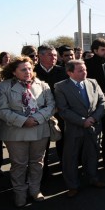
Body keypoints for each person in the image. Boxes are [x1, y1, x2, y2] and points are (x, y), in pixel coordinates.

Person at [0, 57, 55, 207]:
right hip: (15, 132)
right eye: (23, 69)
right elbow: (1, 110)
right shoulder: (4, 86)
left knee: (37, 162)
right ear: (14, 72)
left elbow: (51, 106)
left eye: (29, 68)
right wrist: (22, 121)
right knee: (19, 164)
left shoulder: (43, 85)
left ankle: (35, 190)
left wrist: (36, 118)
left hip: (39, 129)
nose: (28, 72)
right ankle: (20, 193)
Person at [54, 60, 105, 197]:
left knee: (92, 154)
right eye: (80, 71)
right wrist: (82, 121)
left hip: (93, 126)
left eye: (85, 69)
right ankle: (73, 186)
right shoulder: (61, 87)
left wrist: (94, 118)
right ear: (70, 72)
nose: (84, 73)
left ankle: (93, 178)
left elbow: (102, 102)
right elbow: (63, 110)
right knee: (71, 157)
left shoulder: (93, 82)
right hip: (74, 128)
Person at [34, 45, 68, 176]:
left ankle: (64, 167)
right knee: (42, 146)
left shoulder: (63, 71)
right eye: (50, 55)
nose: (54, 57)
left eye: (55, 55)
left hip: (60, 112)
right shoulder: (33, 72)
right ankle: (42, 172)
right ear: (40, 56)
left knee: (63, 141)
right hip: (40, 114)